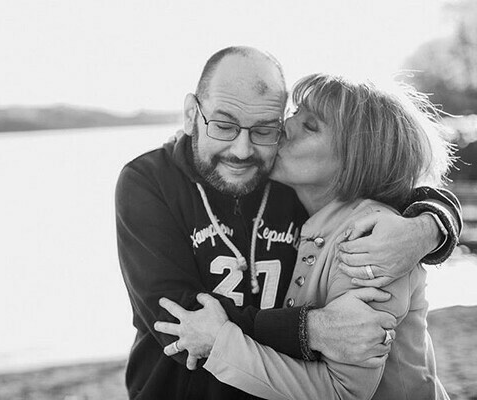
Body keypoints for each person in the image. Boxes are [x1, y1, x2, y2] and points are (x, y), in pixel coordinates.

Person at [115, 46, 461, 400]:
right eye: (223, 126)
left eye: (267, 128)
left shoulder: (365, 234)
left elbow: (392, 184)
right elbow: (181, 322)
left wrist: (429, 227)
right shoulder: (150, 181)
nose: (243, 149)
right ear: (192, 115)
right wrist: (311, 329)